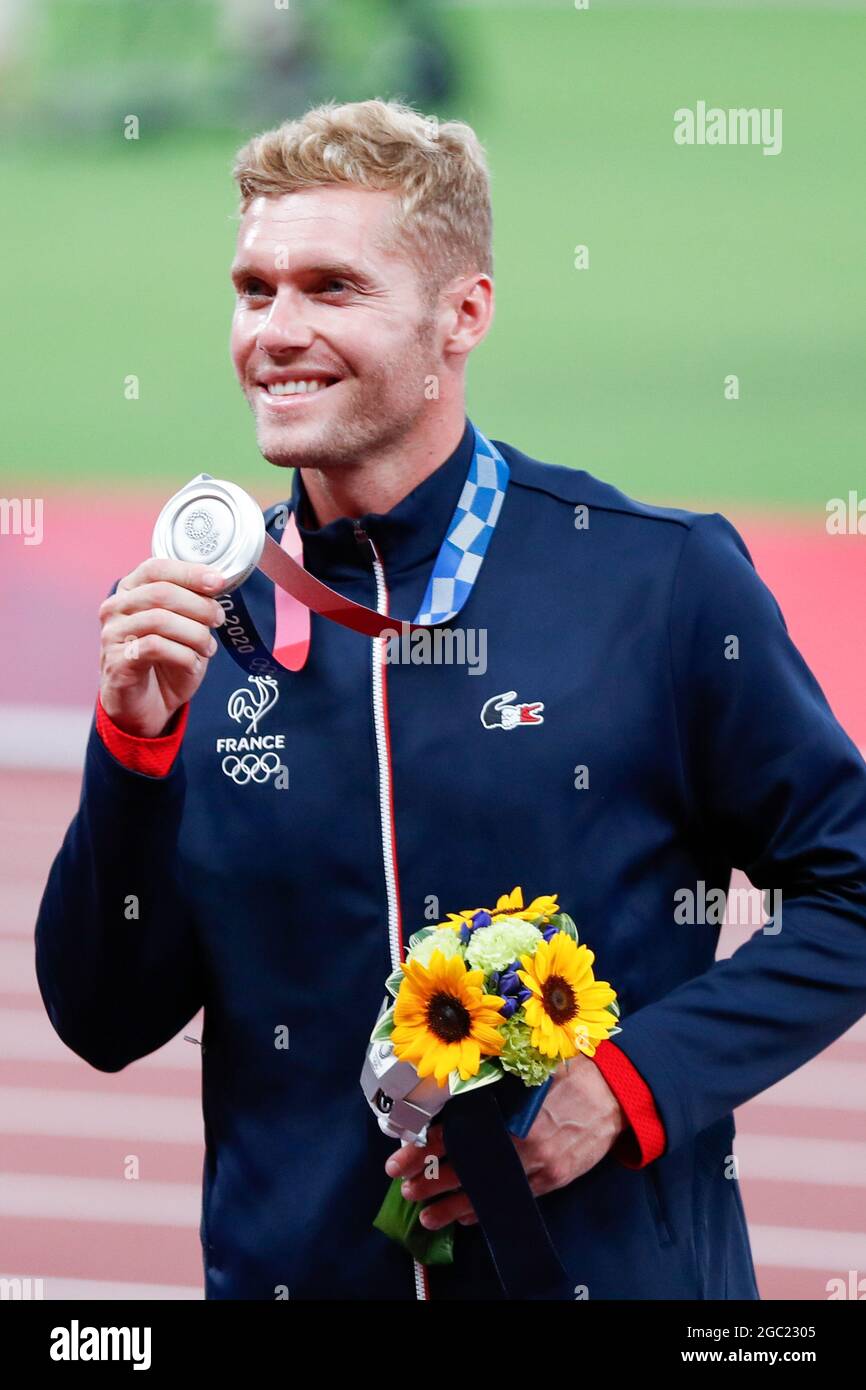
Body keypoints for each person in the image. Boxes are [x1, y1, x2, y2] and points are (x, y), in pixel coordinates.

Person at [36, 99, 866, 1300]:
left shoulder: (653, 580)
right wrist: (134, 747)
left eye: (330, 288)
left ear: (460, 313)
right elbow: (103, 1016)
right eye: (254, 288)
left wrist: (629, 1088)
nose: (276, 330)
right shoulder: (192, 619)